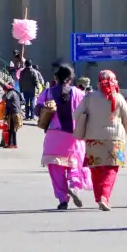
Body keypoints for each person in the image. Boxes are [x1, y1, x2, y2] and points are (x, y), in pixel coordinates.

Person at [74, 69, 127, 211]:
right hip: (115, 139)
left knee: (96, 170)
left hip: (93, 139)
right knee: (111, 170)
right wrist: (124, 137)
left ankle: (99, 197)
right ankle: (104, 197)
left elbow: (76, 115)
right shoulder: (119, 98)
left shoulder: (89, 97)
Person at [36, 64, 91, 210]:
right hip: (73, 135)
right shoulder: (79, 93)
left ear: (55, 78)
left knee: (55, 169)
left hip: (53, 136)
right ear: (70, 79)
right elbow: (87, 112)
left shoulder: (47, 92)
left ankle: (62, 199)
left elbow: (37, 110)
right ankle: (74, 185)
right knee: (74, 164)